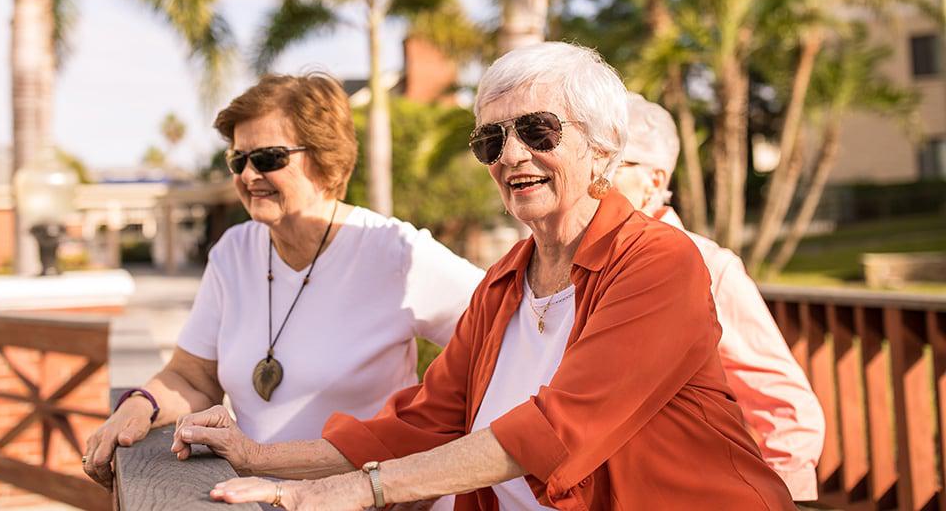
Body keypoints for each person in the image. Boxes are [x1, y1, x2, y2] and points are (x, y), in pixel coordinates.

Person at [171, 42, 796, 510]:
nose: (512, 155)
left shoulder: (659, 263)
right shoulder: (504, 283)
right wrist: (260, 457)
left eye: (538, 130)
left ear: (603, 149)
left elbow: (554, 431)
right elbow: (423, 422)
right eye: (490, 140)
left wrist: (362, 491)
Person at [81, 73, 483, 490]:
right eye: (239, 159)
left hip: (365, 499)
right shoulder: (233, 252)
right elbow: (193, 377)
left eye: (269, 158)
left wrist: (427, 462)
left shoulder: (394, 251)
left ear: (326, 158)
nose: (249, 174)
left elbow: (503, 335)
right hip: (258, 498)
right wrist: (139, 405)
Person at [612, 92, 825, 500]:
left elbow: (786, 405)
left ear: (654, 181)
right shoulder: (576, 267)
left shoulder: (707, 266)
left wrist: (784, 499)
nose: (593, 181)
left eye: (612, 165)